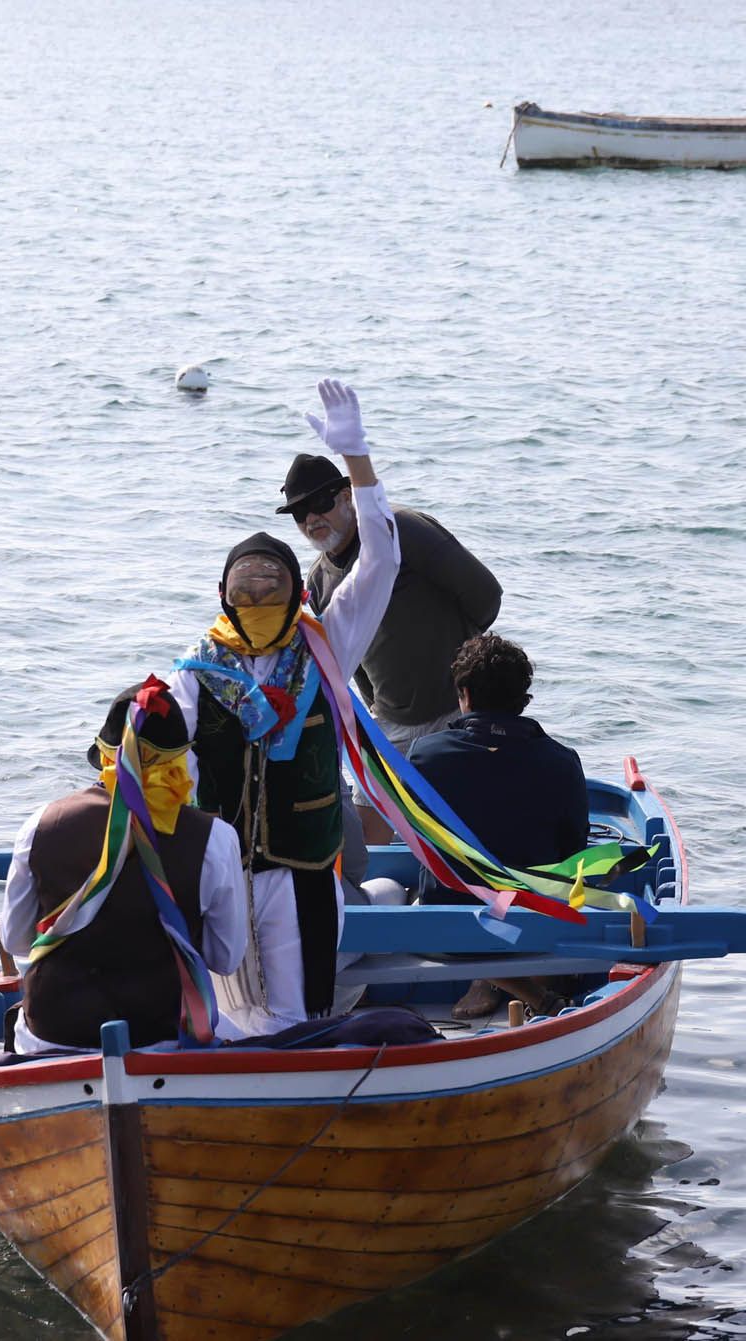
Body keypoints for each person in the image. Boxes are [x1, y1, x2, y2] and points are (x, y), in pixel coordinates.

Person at [166, 379, 400, 1039]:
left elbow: (381, 557)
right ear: (222, 594)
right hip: (222, 871)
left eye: (273, 580)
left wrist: (356, 461)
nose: (259, 591)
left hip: (302, 869)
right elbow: (154, 749)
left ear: (297, 588)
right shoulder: (198, 669)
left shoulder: (327, 645)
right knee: (227, 1014)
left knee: (299, 1014)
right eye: (246, 583)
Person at [0, 678, 248, 1055]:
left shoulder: (41, 824)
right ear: (181, 760)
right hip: (158, 1038)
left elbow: (16, 940)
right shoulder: (216, 838)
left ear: (104, 756)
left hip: (50, 1035)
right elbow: (224, 959)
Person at [408, 633, 589, 1018]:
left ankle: (495, 982)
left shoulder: (425, 754)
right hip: (532, 929)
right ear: (522, 701)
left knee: (387, 887)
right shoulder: (562, 761)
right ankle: (523, 988)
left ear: (465, 695)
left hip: (446, 933)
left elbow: (416, 841)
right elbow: (575, 850)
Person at [279, 451, 502, 755]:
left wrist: (465, 669)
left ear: (346, 496)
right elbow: (350, 660)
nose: (311, 518)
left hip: (460, 707)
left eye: (321, 503)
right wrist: (378, 709)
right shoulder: (318, 580)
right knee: (368, 802)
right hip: (390, 722)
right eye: (299, 512)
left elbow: (485, 595)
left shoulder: (400, 529)